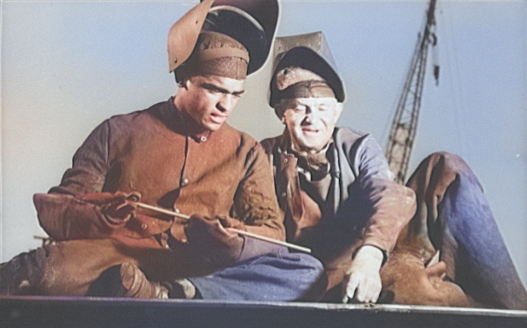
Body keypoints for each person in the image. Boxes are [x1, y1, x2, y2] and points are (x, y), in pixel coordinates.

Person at [0, 1, 327, 301]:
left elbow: (273, 232)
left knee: (306, 270)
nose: (225, 105)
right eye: (213, 89)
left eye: (235, 94)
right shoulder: (119, 130)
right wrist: (103, 215)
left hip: (200, 268)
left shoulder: (247, 151)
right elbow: (59, 211)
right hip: (114, 257)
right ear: (183, 79)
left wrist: (235, 237)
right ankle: (142, 288)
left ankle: (170, 292)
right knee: (41, 271)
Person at [261, 31, 527, 309]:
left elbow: (386, 193)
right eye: (299, 108)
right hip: (322, 273)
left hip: (377, 249)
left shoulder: (358, 147)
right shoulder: (262, 156)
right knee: (418, 294)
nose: (312, 119)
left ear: (337, 111)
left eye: (322, 108)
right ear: (281, 113)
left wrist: (370, 255)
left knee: (446, 168)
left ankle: (515, 311)